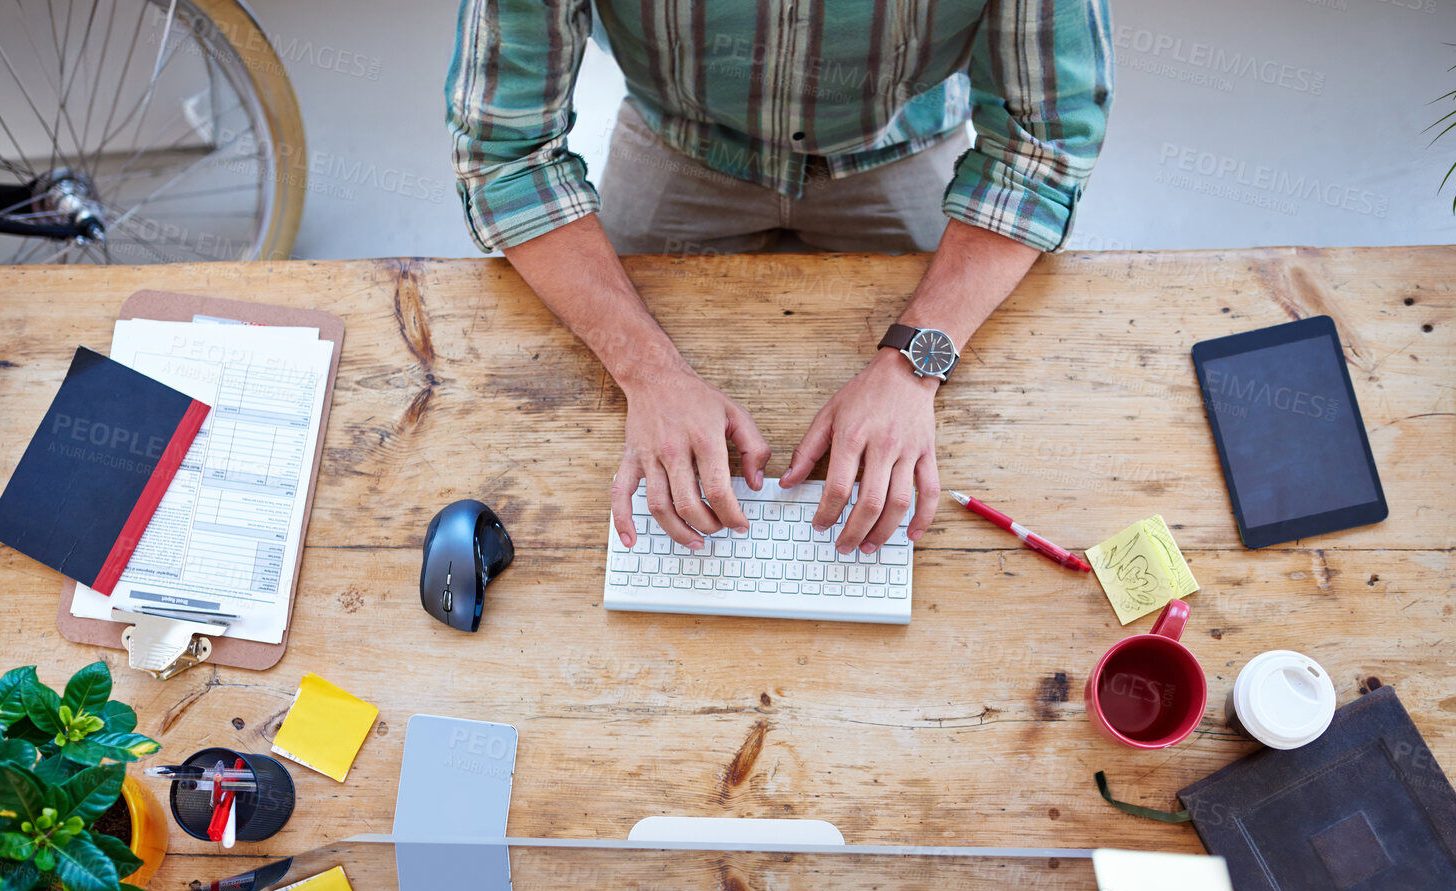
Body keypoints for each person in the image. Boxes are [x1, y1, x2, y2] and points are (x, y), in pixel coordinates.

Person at [446, 1, 1112, 556]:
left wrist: (915, 361)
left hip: (898, 143)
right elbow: (507, 156)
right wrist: (647, 373)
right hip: (679, 141)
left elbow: (1041, 147)